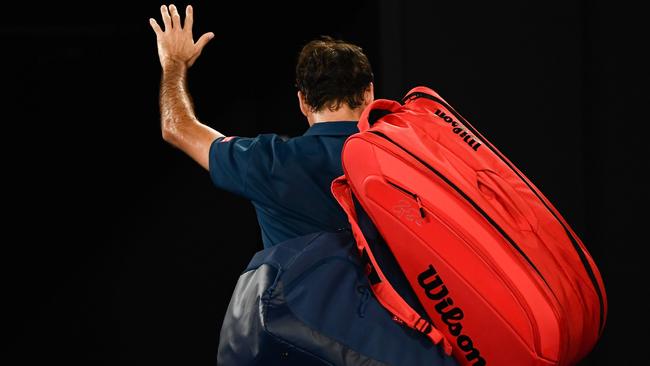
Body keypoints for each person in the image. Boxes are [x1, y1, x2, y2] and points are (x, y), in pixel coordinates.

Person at [149, 4, 374, 247]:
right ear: (368, 93)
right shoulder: (402, 155)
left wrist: (174, 63)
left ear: (302, 102)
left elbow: (176, 126)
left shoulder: (269, 161)